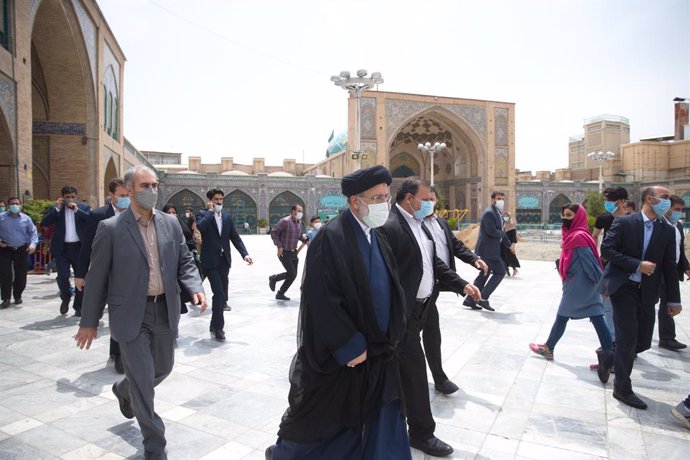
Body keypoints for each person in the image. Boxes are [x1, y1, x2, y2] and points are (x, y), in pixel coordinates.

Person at [267, 165, 410, 459]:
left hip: (379, 353)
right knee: (332, 425)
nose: (384, 204)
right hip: (350, 357)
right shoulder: (331, 238)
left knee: (381, 420)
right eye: (377, 198)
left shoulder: (376, 235)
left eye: (386, 196)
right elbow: (321, 301)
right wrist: (350, 346)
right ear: (355, 201)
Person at [75, 165, 206, 459]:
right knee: (145, 383)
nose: (152, 191)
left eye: (155, 185)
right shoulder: (111, 228)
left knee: (163, 368)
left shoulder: (170, 224)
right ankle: (154, 444)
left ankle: (124, 390)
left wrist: (195, 285)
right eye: (145, 186)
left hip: (165, 309)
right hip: (131, 314)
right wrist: (89, 321)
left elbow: (185, 260)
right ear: (129, 190)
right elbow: (97, 279)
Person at [380, 177, 480, 458]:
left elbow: (431, 262)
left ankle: (395, 421)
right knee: (413, 371)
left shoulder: (418, 225)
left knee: (400, 370)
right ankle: (422, 433)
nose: (430, 204)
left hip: (423, 306)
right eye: (426, 199)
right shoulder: (390, 227)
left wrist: (461, 283)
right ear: (409, 198)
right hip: (402, 313)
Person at [598, 186, 682, 410]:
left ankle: (607, 357)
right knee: (627, 338)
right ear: (649, 198)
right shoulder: (626, 222)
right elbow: (607, 250)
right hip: (624, 287)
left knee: (642, 341)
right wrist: (637, 265)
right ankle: (622, 388)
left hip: (648, 291)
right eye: (664, 198)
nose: (667, 201)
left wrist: (673, 299)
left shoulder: (666, 230)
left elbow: (669, 266)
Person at [528, 204, 614, 383]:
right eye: (564, 215)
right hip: (583, 284)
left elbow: (591, 264)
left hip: (578, 285)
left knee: (563, 315)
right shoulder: (577, 235)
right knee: (597, 316)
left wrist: (601, 285)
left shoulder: (578, 237)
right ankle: (610, 356)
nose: (565, 219)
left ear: (578, 217)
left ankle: (548, 348)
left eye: (569, 215)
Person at [423, 188, 488, 394]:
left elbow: (455, 245)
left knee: (432, 332)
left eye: (432, 199)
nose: (429, 203)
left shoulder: (441, 223)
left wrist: (473, 258)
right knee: (410, 336)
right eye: (425, 200)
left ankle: (439, 378)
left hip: (434, 285)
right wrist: (460, 283)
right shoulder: (413, 226)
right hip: (418, 288)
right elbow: (431, 261)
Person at [74, 178, 130, 374]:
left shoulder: (136, 215)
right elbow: (86, 246)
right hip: (104, 272)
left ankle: (119, 354)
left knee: (120, 313)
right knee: (110, 311)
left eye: (128, 195)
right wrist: (80, 274)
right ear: (112, 196)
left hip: (126, 275)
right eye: (122, 196)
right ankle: (117, 352)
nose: (126, 199)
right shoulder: (98, 216)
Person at [196, 189, 253, 340]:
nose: (219, 202)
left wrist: (245, 254)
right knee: (219, 293)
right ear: (210, 200)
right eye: (216, 199)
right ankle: (219, 328)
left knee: (220, 295)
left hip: (224, 261)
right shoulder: (202, 214)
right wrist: (210, 212)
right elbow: (200, 228)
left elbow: (234, 237)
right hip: (210, 262)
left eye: (221, 199)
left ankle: (214, 323)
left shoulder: (226, 217)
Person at [41, 185, 91, 316]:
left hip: (79, 248)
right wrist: (57, 208)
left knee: (81, 277)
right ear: (62, 197)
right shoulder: (57, 209)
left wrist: (76, 210)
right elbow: (45, 223)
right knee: (63, 276)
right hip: (62, 249)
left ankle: (78, 306)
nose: (70, 199)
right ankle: (66, 296)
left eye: (72, 197)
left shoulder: (83, 207)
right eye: (67, 197)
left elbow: (91, 220)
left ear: (76, 196)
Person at [463, 191, 514, 311]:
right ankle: (483, 298)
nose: (501, 201)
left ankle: (470, 299)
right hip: (488, 251)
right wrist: (503, 234)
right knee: (500, 272)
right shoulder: (489, 213)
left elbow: (501, 230)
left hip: (490, 250)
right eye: (498, 198)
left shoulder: (498, 213)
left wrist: (509, 244)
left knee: (484, 274)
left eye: (502, 198)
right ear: (493, 200)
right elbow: (492, 231)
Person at [657, 195, 689, 351]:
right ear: (667, 208)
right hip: (657, 271)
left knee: (668, 303)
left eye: (681, 210)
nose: (679, 213)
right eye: (676, 209)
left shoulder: (678, 226)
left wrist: (686, 267)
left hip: (672, 271)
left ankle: (667, 337)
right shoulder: (658, 224)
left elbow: (680, 251)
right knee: (647, 305)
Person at [0, 197, 38, 307]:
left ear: (20, 205)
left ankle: (18, 295)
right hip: (5, 249)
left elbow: (33, 233)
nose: (14, 206)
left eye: (16, 203)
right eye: (12, 204)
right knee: (5, 274)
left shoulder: (26, 219)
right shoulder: (1, 218)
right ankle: (6, 298)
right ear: (8, 205)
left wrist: (32, 244)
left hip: (21, 249)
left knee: (21, 275)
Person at [162, 204, 199, 314]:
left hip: (180, 264)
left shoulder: (180, 226)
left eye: (174, 212)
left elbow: (189, 241)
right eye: (169, 212)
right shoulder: (159, 228)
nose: (172, 215)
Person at [269, 204, 308, 301]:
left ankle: (280, 293)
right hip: (284, 252)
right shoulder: (285, 221)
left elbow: (299, 236)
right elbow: (274, 232)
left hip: (293, 252)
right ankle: (273, 278)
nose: (300, 213)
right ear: (293, 211)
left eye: (301, 211)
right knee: (291, 273)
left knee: (293, 275)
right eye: (299, 211)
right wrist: (279, 246)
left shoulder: (299, 223)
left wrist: (305, 240)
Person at [501, 211, 520, 276]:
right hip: (503, 244)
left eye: (506, 216)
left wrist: (512, 245)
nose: (505, 217)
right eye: (504, 216)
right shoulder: (503, 225)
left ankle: (514, 269)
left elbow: (513, 238)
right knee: (502, 257)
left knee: (510, 257)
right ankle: (506, 270)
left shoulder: (511, 225)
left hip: (509, 245)